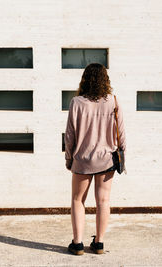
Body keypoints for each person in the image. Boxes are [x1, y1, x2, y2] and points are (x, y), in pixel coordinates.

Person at [64, 63, 126, 255]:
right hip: (107, 159)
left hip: (82, 160)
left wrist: (69, 159)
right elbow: (121, 133)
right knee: (103, 201)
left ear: (85, 80)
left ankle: (78, 244)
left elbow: (70, 135)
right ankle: (99, 243)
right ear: (104, 80)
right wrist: (122, 152)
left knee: (77, 200)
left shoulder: (77, 102)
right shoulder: (113, 101)